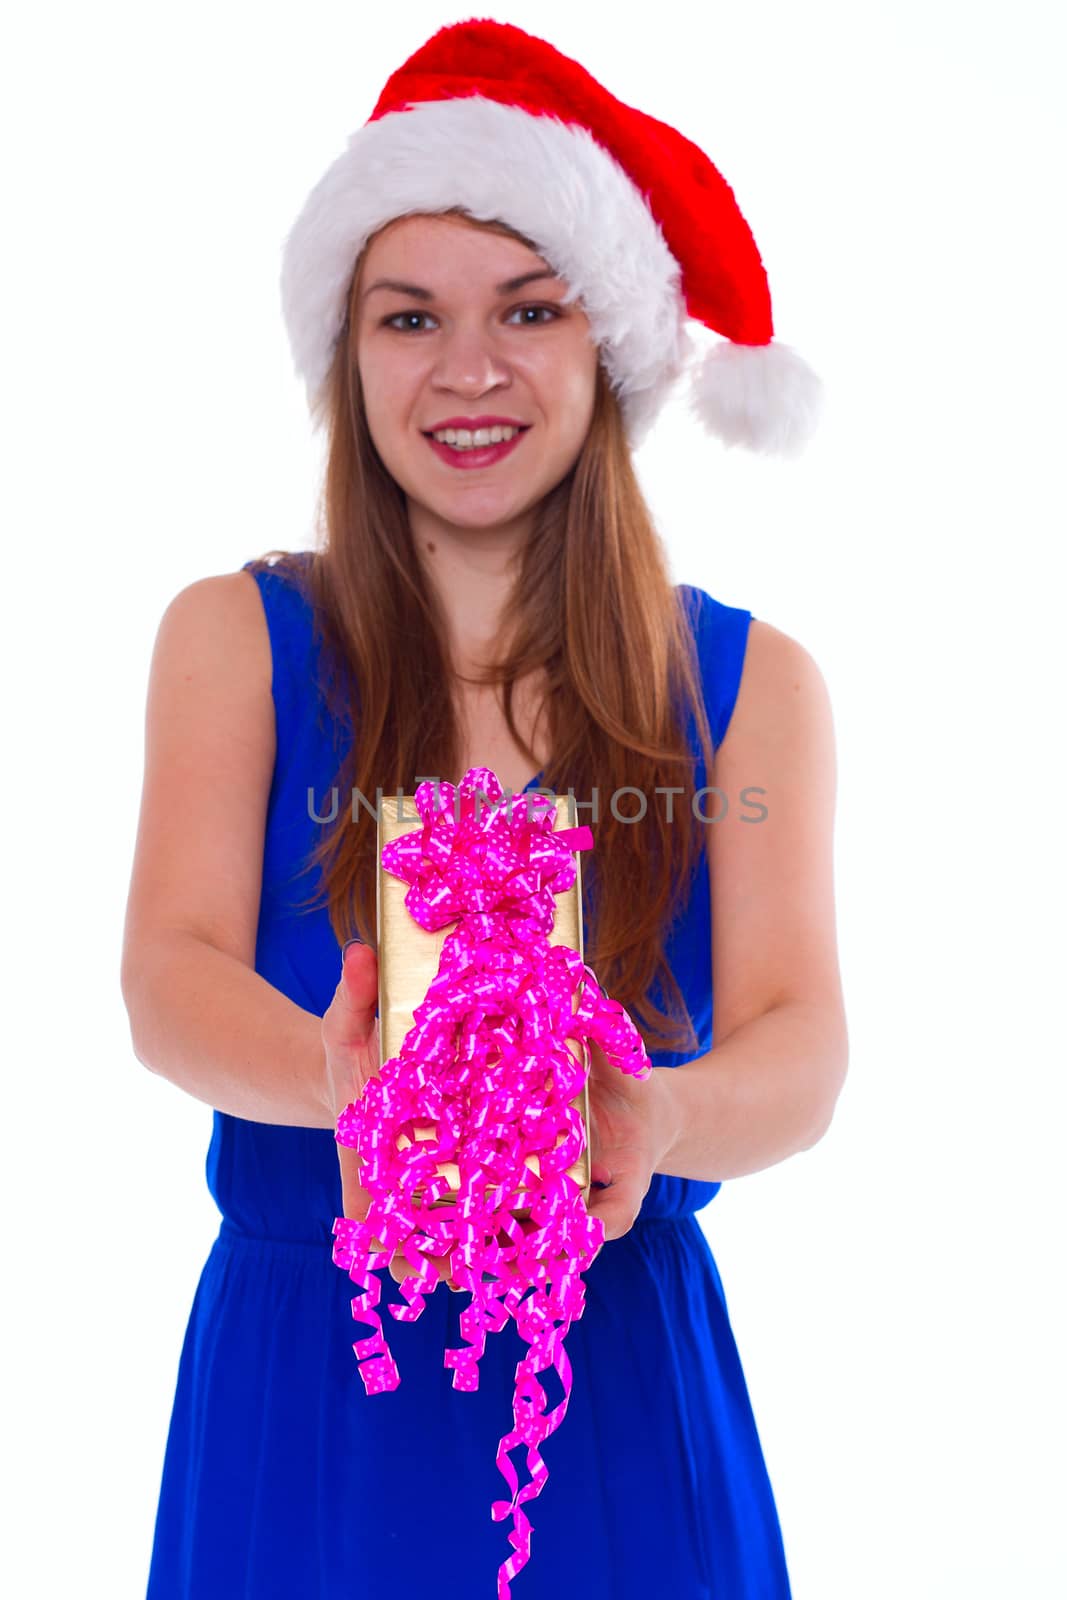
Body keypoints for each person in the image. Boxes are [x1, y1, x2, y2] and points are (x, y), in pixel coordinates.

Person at [121, 19, 848, 1600]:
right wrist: (341, 1081)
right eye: (409, 318)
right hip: (310, 1372)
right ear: (350, 354)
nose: (468, 370)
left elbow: (802, 1045)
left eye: (530, 309)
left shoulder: (747, 683)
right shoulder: (234, 640)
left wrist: (657, 1119)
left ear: (614, 351)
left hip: (617, 1382)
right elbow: (166, 981)